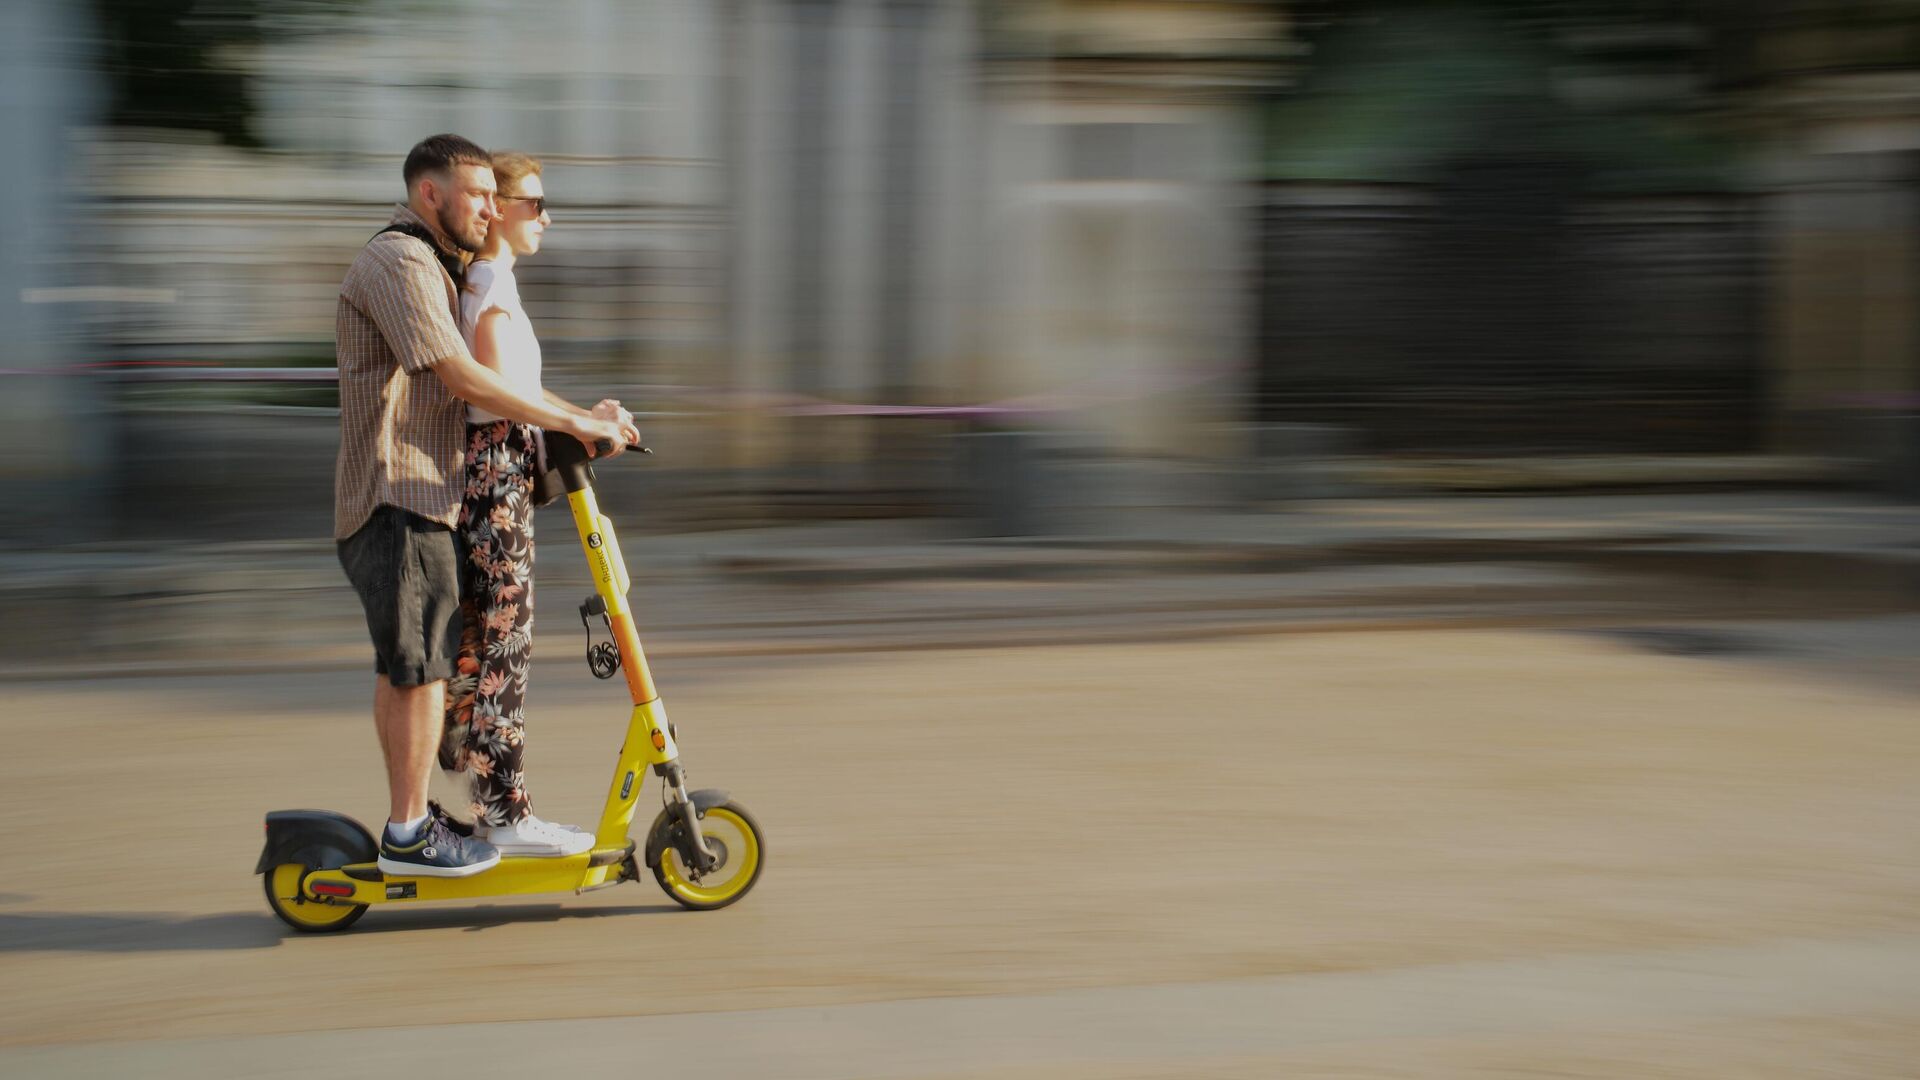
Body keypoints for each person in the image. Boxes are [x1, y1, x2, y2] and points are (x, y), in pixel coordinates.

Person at [333, 134, 638, 878]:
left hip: (427, 493)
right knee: (420, 662)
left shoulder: (441, 265)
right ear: (430, 192)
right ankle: (411, 833)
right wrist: (575, 422)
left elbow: (502, 388)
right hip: (394, 490)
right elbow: (466, 379)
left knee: (443, 657)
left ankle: (461, 806)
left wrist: (578, 419)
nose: (492, 208)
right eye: (480, 195)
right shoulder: (400, 260)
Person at [439, 150, 629, 856]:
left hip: (504, 476)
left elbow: (525, 395)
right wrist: (578, 424)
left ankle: (491, 787)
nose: (546, 217)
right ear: (498, 210)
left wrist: (589, 416)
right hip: (493, 482)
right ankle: (505, 812)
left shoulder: (499, 286)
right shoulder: (486, 286)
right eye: (535, 204)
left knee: (500, 645)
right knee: (503, 647)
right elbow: (492, 394)